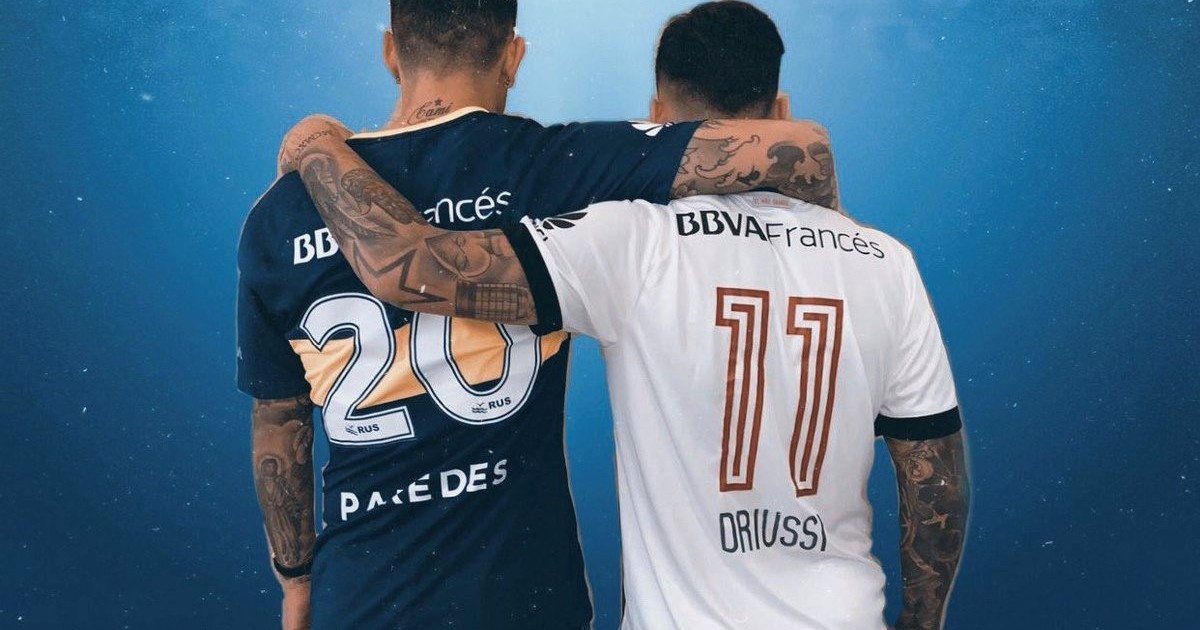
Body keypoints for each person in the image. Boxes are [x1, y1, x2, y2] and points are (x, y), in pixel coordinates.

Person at [278, 2, 970, 629]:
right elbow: (936, 479)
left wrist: (316, 142)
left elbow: (411, 267)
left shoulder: (629, 242)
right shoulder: (887, 264)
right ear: (780, 107)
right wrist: (922, 621)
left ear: (657, 114)